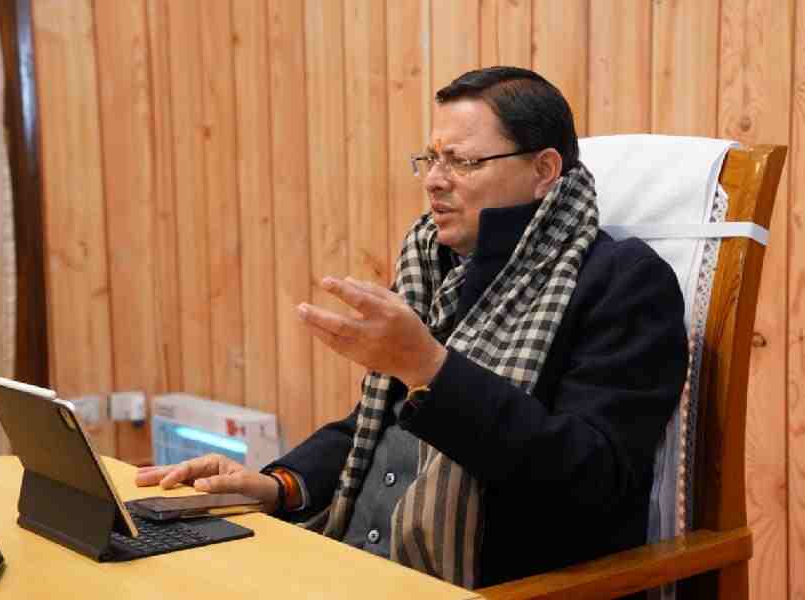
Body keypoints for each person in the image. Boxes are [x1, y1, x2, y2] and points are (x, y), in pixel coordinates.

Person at [136, 66, 688, 590]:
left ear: (543, 171)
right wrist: (278, 485)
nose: (435, 182)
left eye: (462, 162)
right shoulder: (433, 264)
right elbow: (376, 430)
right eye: (430, 159)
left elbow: (592, 481)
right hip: (352, 565)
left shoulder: (622, 281)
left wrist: (430, 369)